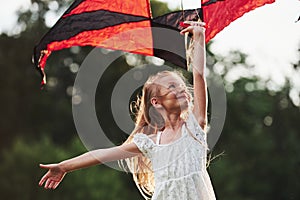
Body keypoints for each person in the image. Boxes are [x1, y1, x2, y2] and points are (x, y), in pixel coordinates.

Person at [39, 21, 216, 200]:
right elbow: (102, 154)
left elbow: (199, 75)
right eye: (172, 86)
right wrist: (64, 167)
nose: (182, 89)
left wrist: (199, 38)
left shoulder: (195, 126)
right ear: (156, 102)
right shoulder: (151, 143)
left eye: (182, 86)